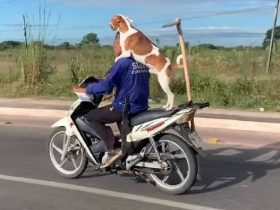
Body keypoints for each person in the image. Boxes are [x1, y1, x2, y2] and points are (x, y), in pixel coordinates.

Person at [73, 32, 150, 169]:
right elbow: (131, 83)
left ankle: (112, 148)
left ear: (121, 44)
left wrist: (86, 90)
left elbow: (105, 86)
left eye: (114, 44)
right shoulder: (142, 62)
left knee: (91, 116)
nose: (114, 47)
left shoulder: (121, 63)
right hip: (141, 106)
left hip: (125, 107)